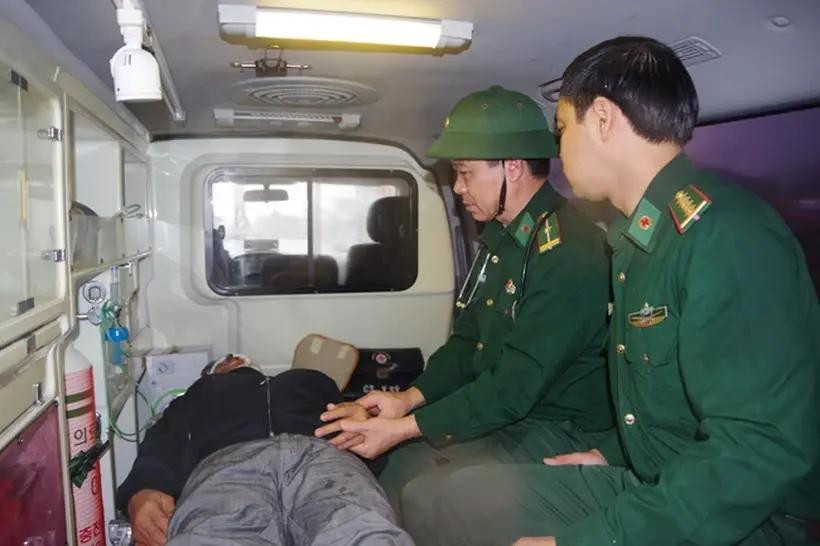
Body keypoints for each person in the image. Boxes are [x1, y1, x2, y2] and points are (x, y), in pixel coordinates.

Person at [430, 36, 820, 546]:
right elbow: (668, 405)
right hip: (659, 479)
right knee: (461, 499)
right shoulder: (638, 240)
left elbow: (757, 449)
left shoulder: (726, 236)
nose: (557, 148)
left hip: (744, 519)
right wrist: (609, 453)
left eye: (562, 129)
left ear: (604, 120)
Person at [316, 86, 614, 540]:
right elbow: (465, 345)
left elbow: (514, 386)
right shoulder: (500, 239)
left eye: (465, 173)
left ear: (512, 167)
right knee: (399, 468)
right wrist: (407, 400)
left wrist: (403, 428)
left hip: (558, 425)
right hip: (509, 413)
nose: (457, 188)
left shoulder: (568, 252)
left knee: (438, 493)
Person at [118, 355, 411, 546]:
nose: (233, 359)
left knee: (361, 530)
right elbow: (165, 437)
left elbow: (363, 434)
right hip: (229, 465)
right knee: (213, 535)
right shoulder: (203, 391)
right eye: (224, 361)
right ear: (215, 372)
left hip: (323, 455)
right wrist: (141, 491)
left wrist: (364, 420)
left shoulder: (309, 379)